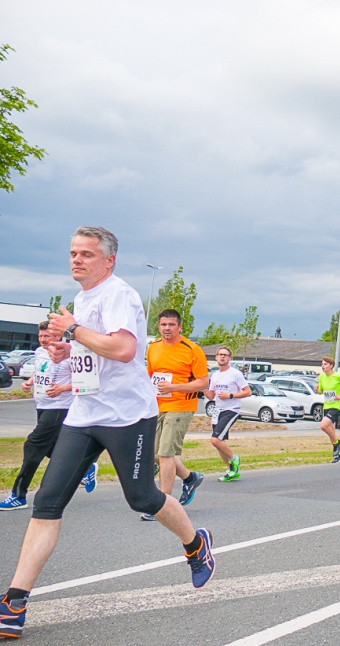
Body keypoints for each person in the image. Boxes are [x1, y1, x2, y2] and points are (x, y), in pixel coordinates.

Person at [0, 226, 214, 639]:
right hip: (84, 413)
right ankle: (14, 602)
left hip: (126, 416)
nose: (76, 260)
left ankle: (195, 545)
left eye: (86, 254)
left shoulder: (120, 294)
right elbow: (94, 351)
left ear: (108, 260)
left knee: (142, 496)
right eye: (72, 253)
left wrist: (74, 332)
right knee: (47, 501)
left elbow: (123, 349)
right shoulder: (81, 300)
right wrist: (69, 349)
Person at [1, 322, 97, 512]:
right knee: (50, 449)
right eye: (40, 336)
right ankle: (85, 468)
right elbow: (40, 371)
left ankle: (18, 495)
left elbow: (87, 381)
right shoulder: (38, 352)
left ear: (58, 336)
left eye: (47, 336)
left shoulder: (70, 355)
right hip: (42, 405)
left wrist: (62, 388)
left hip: (60, 407)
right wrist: (29, 382)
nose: (43, 340)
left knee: (33, 446)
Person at [145, 309, 210, 520]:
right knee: (155, 455)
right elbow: (150, 376)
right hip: (157, 405)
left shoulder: (192, 349)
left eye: (171, 325)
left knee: (165, 454)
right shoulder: (153, 347)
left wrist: (174, 387)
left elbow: (203, 382)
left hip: (181, 405)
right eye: (163, 325)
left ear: (179, 327)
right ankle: (190, 478)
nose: (167, 329)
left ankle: (163, 506)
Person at [205, 347, 251, 481]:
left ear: (230, 358)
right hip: (217, 410)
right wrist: (202, 388)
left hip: (231, 409)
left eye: (225, 355)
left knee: (215, 440)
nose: (222, 357)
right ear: (216, 357)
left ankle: (234, 459)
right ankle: (232, 471)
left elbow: (247, 392)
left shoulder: (235, 374)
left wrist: (230, 395)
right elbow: (211, 396)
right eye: (220, 355)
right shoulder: (215, 375)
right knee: (221, 443)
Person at [314, 357, 340, 463]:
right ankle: (338, 456)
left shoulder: (338, 377)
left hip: (337, 406)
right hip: (327, 406)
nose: (323, 366)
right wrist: (317, 390)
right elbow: (321, 391)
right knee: (332, 433)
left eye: (325, 364)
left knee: (323, 426)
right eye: (322, 364)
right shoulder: (321, 377)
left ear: (331, 365)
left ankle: (337, 443)